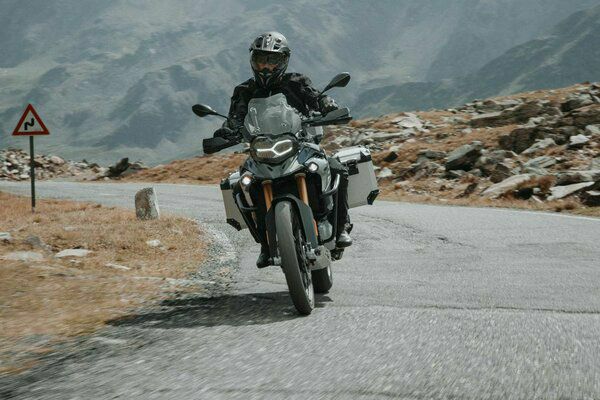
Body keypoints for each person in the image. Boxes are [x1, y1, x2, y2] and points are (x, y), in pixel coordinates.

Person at [203, 31, 352, 268]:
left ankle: (341, 227)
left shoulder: (297, 82)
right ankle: (266, 244)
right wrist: (226, 132)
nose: (266, 67)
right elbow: (235, 118)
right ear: (253, 60)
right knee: (242, 184)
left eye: (272, 60)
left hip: (299, 145)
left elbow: (316, 99)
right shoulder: (244, 91)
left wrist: (328, 105)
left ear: (284, 60)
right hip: (262, 150)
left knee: (336, 168)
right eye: (260, 60)